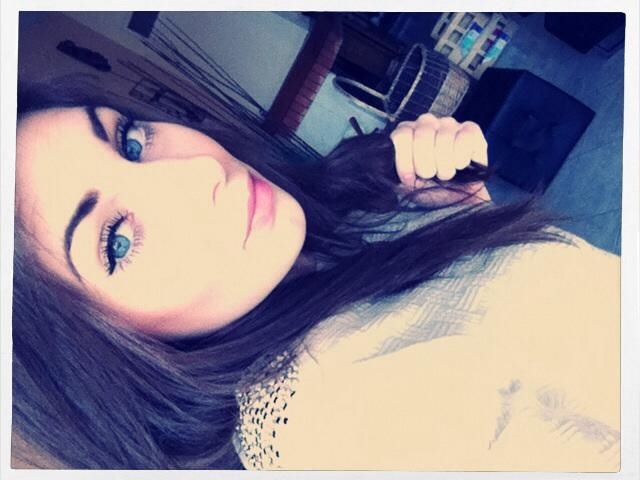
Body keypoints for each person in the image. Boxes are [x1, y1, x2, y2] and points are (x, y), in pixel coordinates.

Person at [12, 80, 619, 471]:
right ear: (97, 362)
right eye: (117, 240)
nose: (198, 173)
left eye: (130, 141)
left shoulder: (315, 250)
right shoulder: (338, 417)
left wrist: (463, 223)